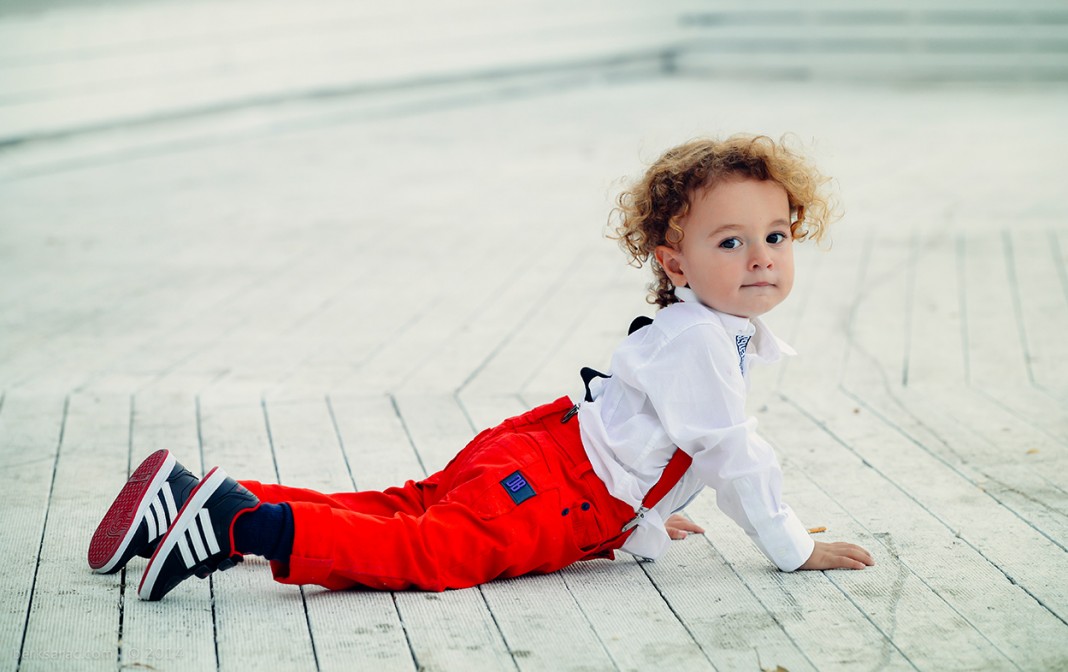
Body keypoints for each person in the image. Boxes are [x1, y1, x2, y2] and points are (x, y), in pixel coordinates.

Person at [88, 134, 874, 601]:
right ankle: (239, 525)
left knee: (400, 510)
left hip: (542, 447)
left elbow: (652, 433)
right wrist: (789, 545)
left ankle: (192, 501)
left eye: (776, 236)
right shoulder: (706, 340)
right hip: (557, 490)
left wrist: (639, 514)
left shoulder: (700, 329)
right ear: (675, 262)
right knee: (424, 551)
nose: (761, 257)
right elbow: (729, 450)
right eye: (729, 241)